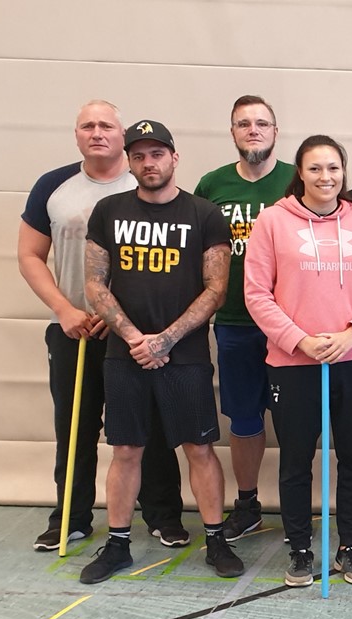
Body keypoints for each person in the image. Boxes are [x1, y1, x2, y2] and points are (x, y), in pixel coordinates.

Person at [80, 120, 242, 583]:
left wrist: (166, 339)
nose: (148, 163)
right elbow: (95, 282)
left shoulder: (204, 214)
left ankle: (216, 540)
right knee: (126, 449)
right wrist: (135, 338)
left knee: (199, 448)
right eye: (139, 156)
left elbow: (216, 289)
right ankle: (117, 545)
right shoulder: (108, 211)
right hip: (125, 354)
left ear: (174, 158)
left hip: (184, 355)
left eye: (157, 154)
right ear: (129, 162)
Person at [19, 100, 186, 552]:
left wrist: (132, 325)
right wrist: (63, 310)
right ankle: (70, 517)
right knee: (75, 425)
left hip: (135, 335)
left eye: (106, 125)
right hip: (74, 328)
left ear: (122, 137)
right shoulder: (53, 186)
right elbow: (30, 255)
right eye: (87, 126)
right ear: (76, 134)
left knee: (148, 427)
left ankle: (163, 515)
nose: (97, 133)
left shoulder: (148, 183)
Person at [245, 135, 352, 587]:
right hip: (294, 364)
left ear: (344, 172)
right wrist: (300, 341)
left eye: (333, 168)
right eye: (315, 168)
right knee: (295, 461)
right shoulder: (272, 221)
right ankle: (299, 549)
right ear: (300, 173)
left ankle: (351, 545)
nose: (325, 177)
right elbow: (257, 294)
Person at [194, 95, 296, 541]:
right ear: (233, 132)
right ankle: (248, 503)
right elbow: (194, 251)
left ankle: (295, 505)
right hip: (235, 321)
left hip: (290, 325)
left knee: (294, 420)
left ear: (275, 131)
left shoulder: (296, 180)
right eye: (244, 123)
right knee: (244, 418)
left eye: (262, 123)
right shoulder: (211, 185)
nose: (253, 130)